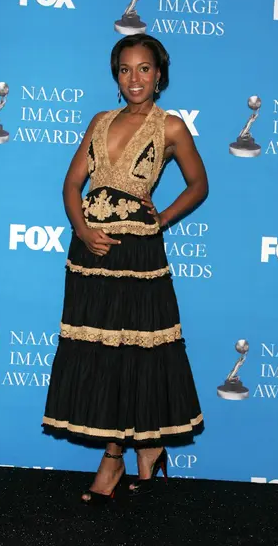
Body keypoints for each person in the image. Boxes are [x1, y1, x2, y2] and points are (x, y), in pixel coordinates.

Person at [43, 34, 208, 504]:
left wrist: (163, 218)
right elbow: (72, 185)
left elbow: (199, 185)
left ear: (160, 75)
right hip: (90, 256)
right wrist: (81, 230)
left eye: (144, 69)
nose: (134, 79)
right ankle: (132, 450)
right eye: (125, 70)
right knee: (100, 356)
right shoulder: (100, 121)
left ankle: (131, 449)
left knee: (135, 354)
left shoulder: (171, 127)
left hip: (138, 257)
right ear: (115, 76)